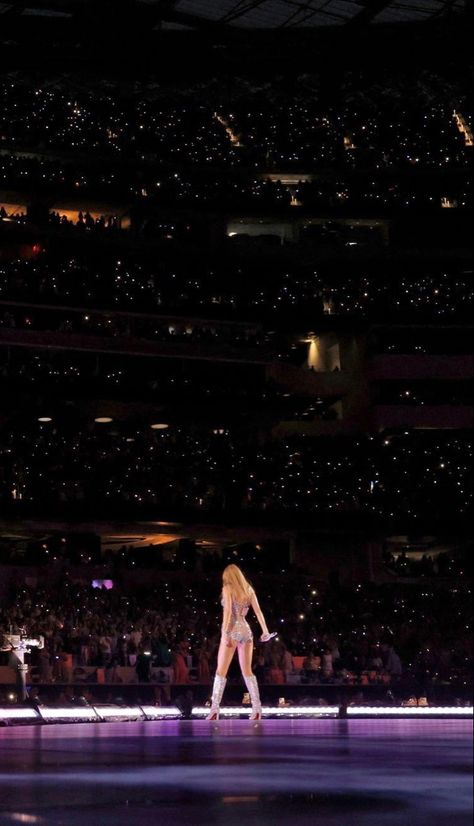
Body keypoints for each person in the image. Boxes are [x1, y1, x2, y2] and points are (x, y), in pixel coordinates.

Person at [207, 564, 275, 722]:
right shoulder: (248, 589)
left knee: (221, 672)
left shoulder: (228, 588)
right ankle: (257, 708)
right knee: (247, 672)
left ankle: (214, 709)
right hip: (246, 630)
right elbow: (258, 612)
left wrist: (225, 634)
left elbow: (228, 613)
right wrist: (265, 631)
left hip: (232, 630)